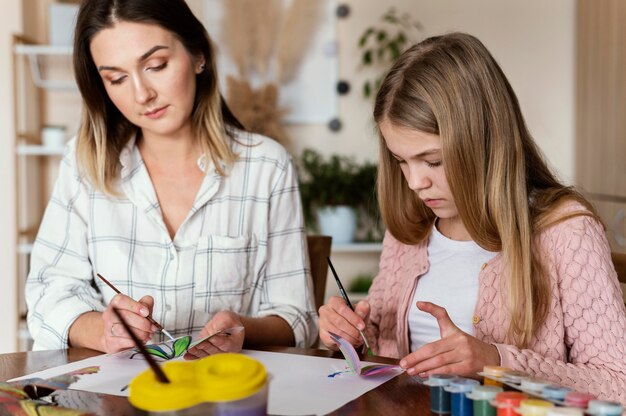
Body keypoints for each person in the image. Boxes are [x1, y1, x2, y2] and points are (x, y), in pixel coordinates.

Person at [318, 32, 626, 403]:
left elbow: (618, 386)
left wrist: (495, 360)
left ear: (484, 142)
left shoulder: (567, 232)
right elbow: (382, 351)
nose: (416, 182)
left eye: (433, 161)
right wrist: (351, 333)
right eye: (402, 161)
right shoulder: (411, 227)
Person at [26, 0, 317, 357]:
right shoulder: (84, 163)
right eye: (116, 78)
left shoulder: (266, 166)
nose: (141, 95)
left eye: (156, 65)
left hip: (225, 396)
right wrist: (103, 331)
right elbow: (48, 291)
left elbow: (297, 318)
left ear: (198, 55)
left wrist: (243, 328)